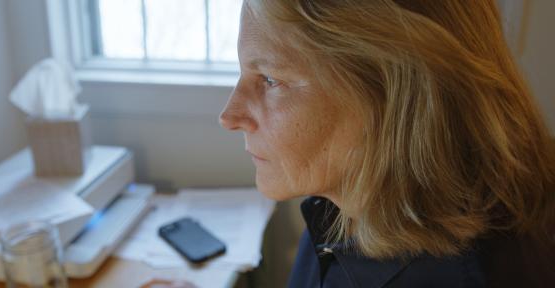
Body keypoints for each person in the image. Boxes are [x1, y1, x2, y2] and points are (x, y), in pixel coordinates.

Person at [144, 0, 555, 287]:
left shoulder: (465, 278)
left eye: (269, 79)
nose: (230, 116)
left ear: (395, 94)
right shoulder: (344, 197)